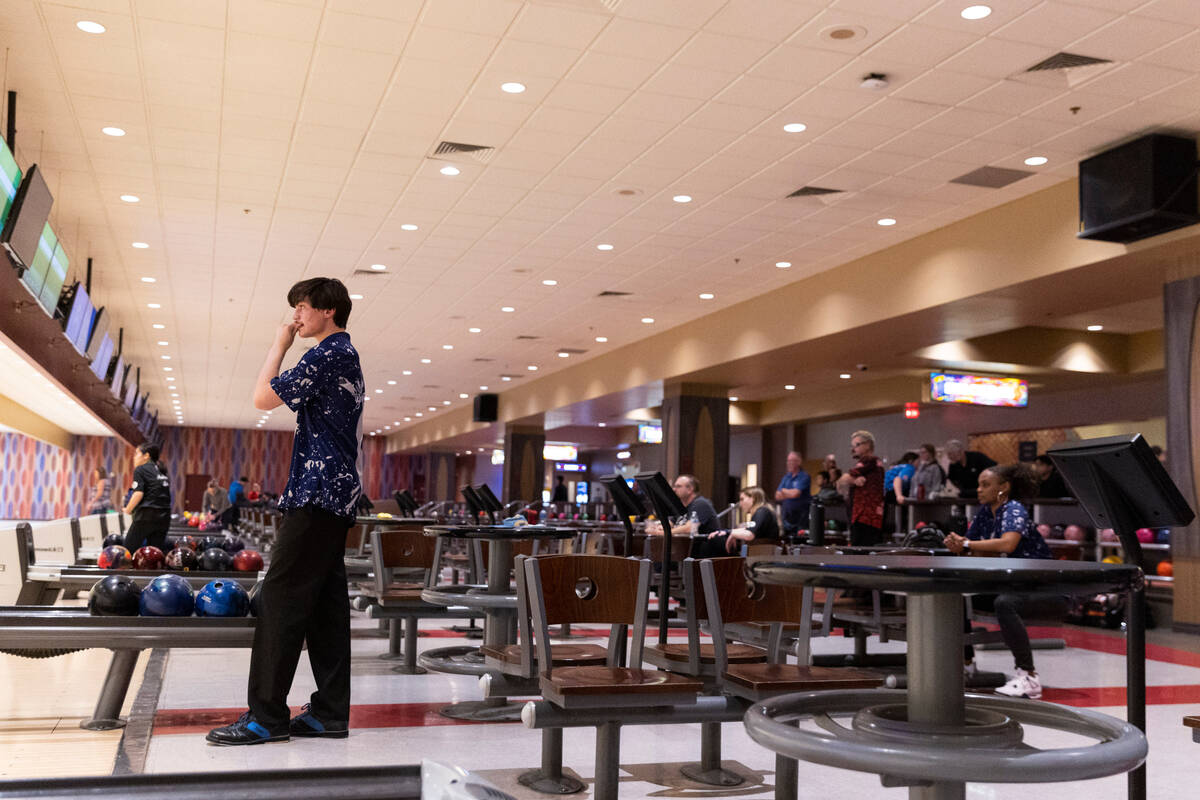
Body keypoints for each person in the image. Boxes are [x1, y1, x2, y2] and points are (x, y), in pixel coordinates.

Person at [208, 276, 364, 746]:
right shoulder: (345, 355)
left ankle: (266, 718)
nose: (296, 316)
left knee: (279, 598)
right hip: (335, 495)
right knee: (325, 606)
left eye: (302, 307)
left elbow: (262, 398)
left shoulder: (327, 353)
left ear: (328, 311)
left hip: (317, 493)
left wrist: (278, 343)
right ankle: (331, 713)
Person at [944, 463, 1060, 700]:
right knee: (955, 595)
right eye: (978, 485)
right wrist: (958, 544)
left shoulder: (1014, 509)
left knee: (1005, 604)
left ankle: (1029, 677)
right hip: (1010, 584)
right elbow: (972, 546)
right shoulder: (986, 513)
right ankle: (967, 666)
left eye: (985, 485)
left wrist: (966, 545)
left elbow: (1008, 544)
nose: (979, 490)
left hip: (1042, 587)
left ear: (1004, 488)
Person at [699, 486, 779, 557]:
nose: (740, 504)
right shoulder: (763, 511)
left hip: (762, 553)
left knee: (714, 540)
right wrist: (731, 533)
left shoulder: (762, 511)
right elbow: (750, 530)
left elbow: (749, 534)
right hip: (759, 551)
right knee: (713, 542)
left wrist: (728, 532)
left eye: (742, 499)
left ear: (753, 498)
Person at [836, 430, 884, 546]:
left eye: (857, 445)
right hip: (865, 517)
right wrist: (853, 480)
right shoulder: (871, 463)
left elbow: (843, 479)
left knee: (860, 552)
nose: (853, 449)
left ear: (868, 445)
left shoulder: (870, 461)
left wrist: (850, 480)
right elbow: (840, 483)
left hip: (865, 516)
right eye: (852, 446)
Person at [122, 443, 172, 552]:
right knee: (155, 554)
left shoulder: (140, 469)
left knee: (127, 552)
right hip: (164, 517)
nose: (134, 457)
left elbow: (138, 494)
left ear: (146, 456)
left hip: (146, 516)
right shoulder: (161, 469)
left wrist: (127, 510)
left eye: (136, 453)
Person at [774, 451, 811, 539]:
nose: (789, 463)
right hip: (787, 518)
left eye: (792, 461)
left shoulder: (804, 476)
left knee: (799, 541)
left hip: (801, 519)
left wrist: (783, 491)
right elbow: (777, 495)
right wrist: (789, 493)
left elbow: (796, 494)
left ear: (799, 462)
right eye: (788, 461)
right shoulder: (786, 477)